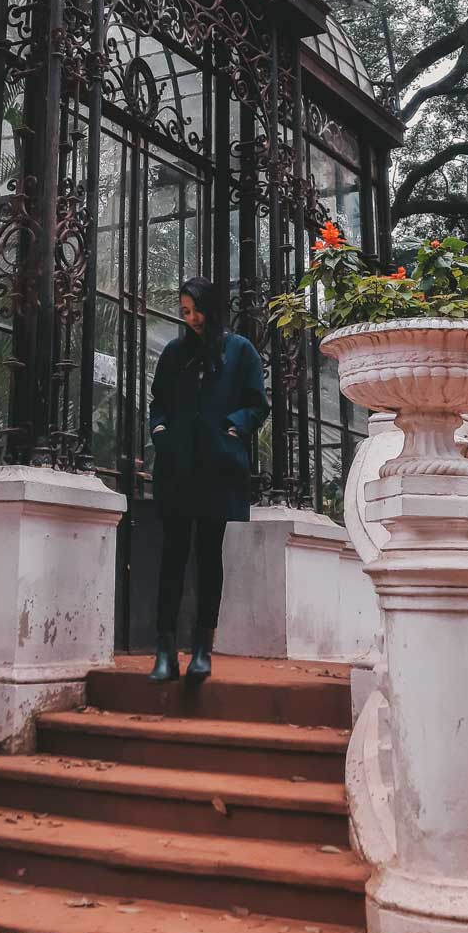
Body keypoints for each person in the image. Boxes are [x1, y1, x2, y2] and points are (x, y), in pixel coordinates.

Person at [146, 277, 269, 683]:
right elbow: (158, 403)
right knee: (172, 558)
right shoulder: (175, 353)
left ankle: (202, 650)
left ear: (212, 308)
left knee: (208, 559)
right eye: (184, 312)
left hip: (218, 471)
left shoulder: (240, 351)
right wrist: (161, 431)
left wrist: (234, 427)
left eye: (196, 309)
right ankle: (164, 652)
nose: (192, 318)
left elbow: (257, 404)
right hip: (177, 469)